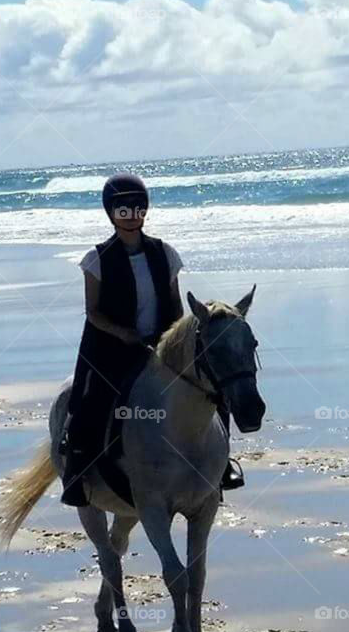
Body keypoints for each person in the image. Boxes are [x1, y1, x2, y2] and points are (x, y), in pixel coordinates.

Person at [59, 172, 241, 507]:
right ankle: (76, 473)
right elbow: (94, 313)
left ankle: (222, 467)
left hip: (162, 347)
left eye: (138, 208)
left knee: (215, 391)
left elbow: (173, 303)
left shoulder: (164, 253)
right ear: (111, 213)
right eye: (123, 210)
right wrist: (126, 334)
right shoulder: (96, 259)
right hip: (111, 348)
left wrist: (175, 340)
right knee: (89, 403)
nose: (131, 216)